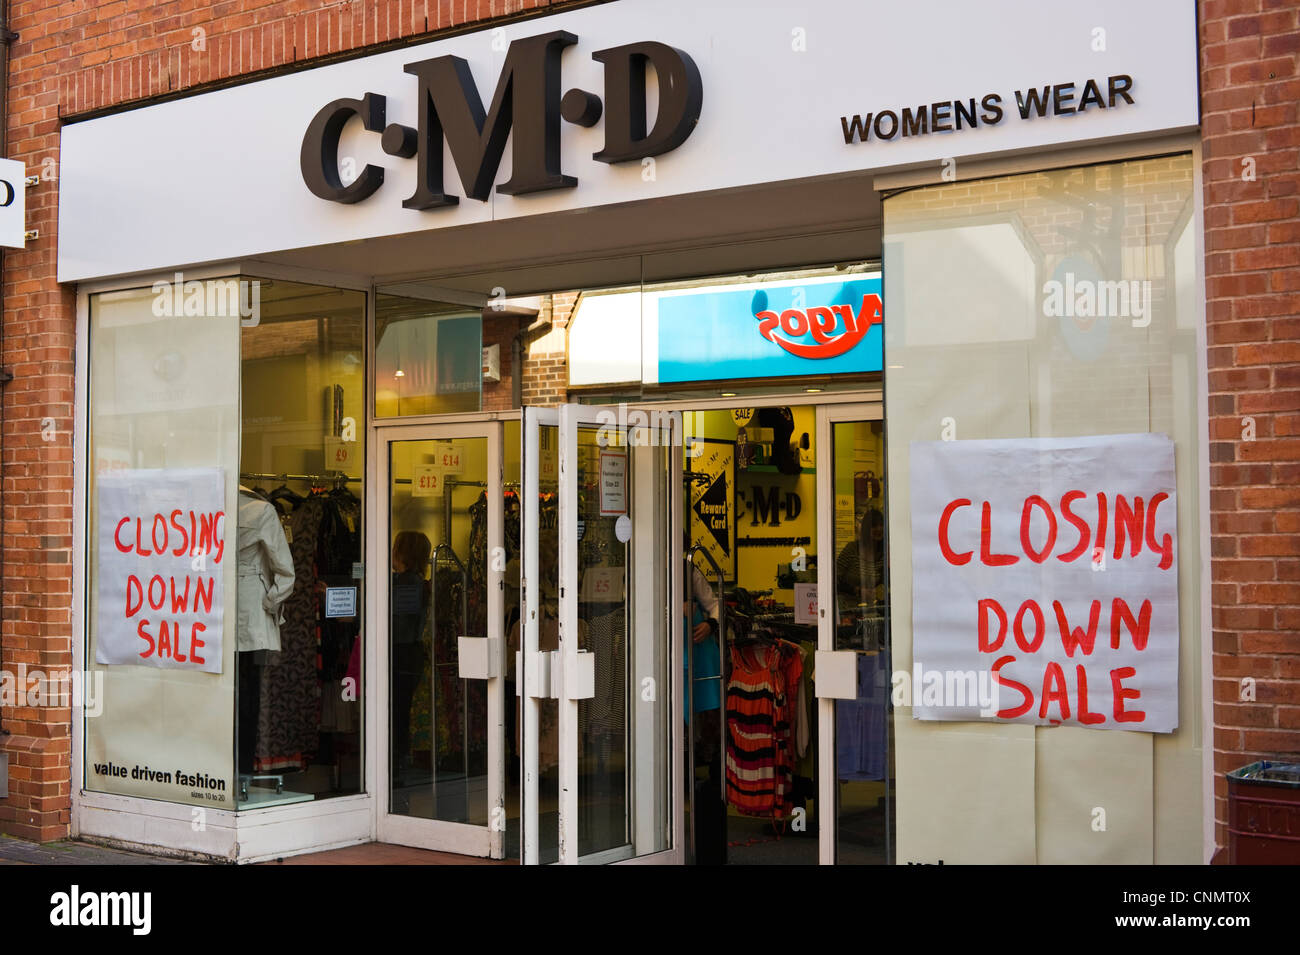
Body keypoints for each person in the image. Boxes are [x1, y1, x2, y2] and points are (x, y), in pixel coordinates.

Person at [390, 530, 432, 783]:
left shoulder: (403, 584)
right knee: (402, 710)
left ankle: (395, 762)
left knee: (395, 709)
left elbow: (398, 624)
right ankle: (399, 759)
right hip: (412, 653)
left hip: (400, 652)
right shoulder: (419, 583)